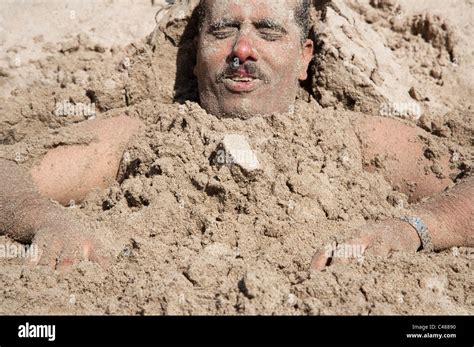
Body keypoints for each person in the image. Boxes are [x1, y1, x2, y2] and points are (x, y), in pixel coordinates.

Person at [1, 0, 472, 270]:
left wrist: (414, 228)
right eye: (224, 30)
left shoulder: (361, 140)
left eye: (267, 31)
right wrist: (45, 219)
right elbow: (8, 170)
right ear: (194, 52)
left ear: (305, 57)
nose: (242, 49)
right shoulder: (141, 137)